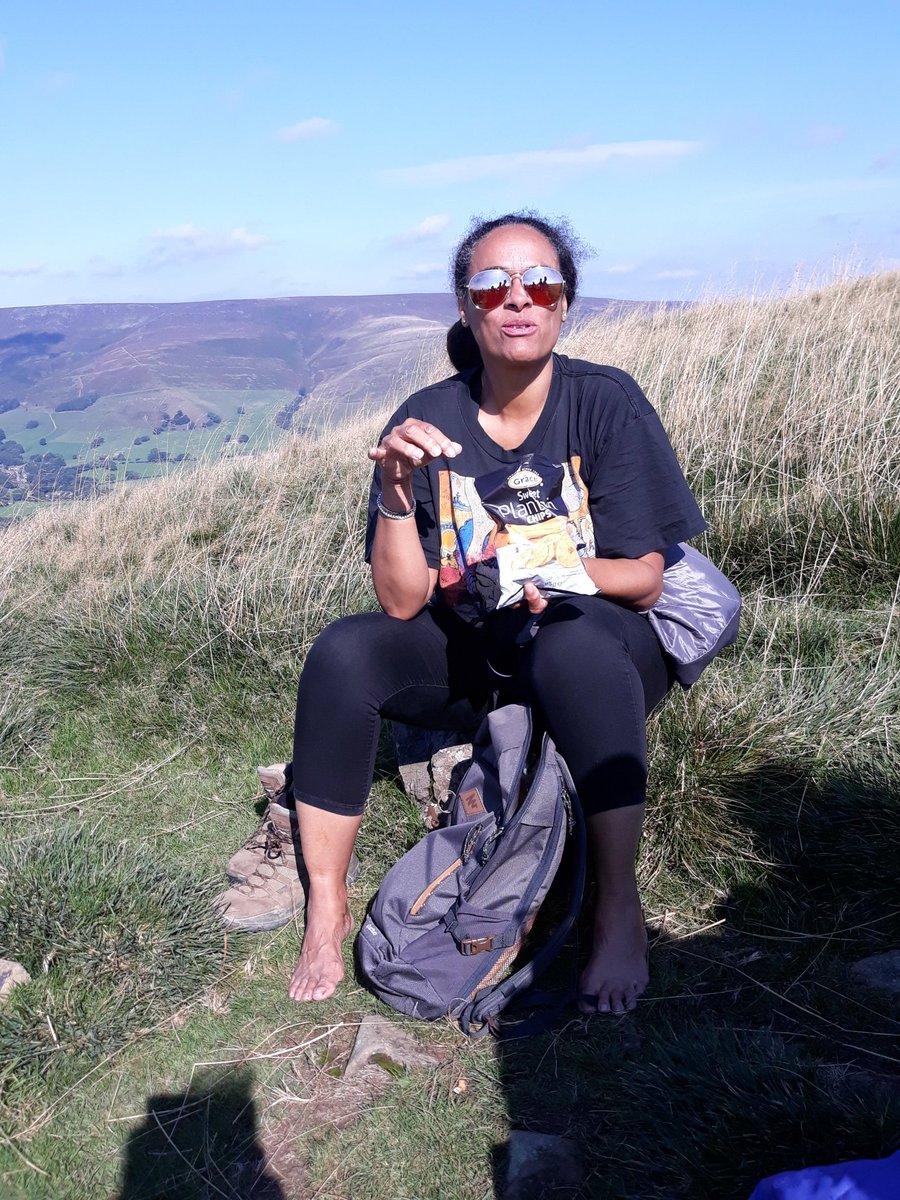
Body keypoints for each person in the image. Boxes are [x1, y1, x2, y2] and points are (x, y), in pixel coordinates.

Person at [218, 212, 707, 1016]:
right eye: (493, 285)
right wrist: (393, 491)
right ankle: (327, 904)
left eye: (540, 283)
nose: (518, 299)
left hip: (602, 641)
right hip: (482, 645)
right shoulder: (427, 418)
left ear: (564, 303)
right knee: (344, 653)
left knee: (570, 648)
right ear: (466, 305)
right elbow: (402, 601)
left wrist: (547, 570)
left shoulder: (605, 403)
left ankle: (619, 906)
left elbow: (647, 578)